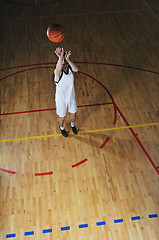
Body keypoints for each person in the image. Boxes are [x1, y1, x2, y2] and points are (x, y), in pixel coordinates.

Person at [54, 47, 79, 137]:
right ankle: (62, 128)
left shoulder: (70, 69)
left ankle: (72, 125)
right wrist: (60, 57)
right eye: (62, 61)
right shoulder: (57, 73)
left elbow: (76, 69)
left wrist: (68, 59)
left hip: (71, 97)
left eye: (64, 60)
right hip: (61, 99)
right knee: (62, 117)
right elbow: (58, 69)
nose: (63, 62)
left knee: (73, 114)